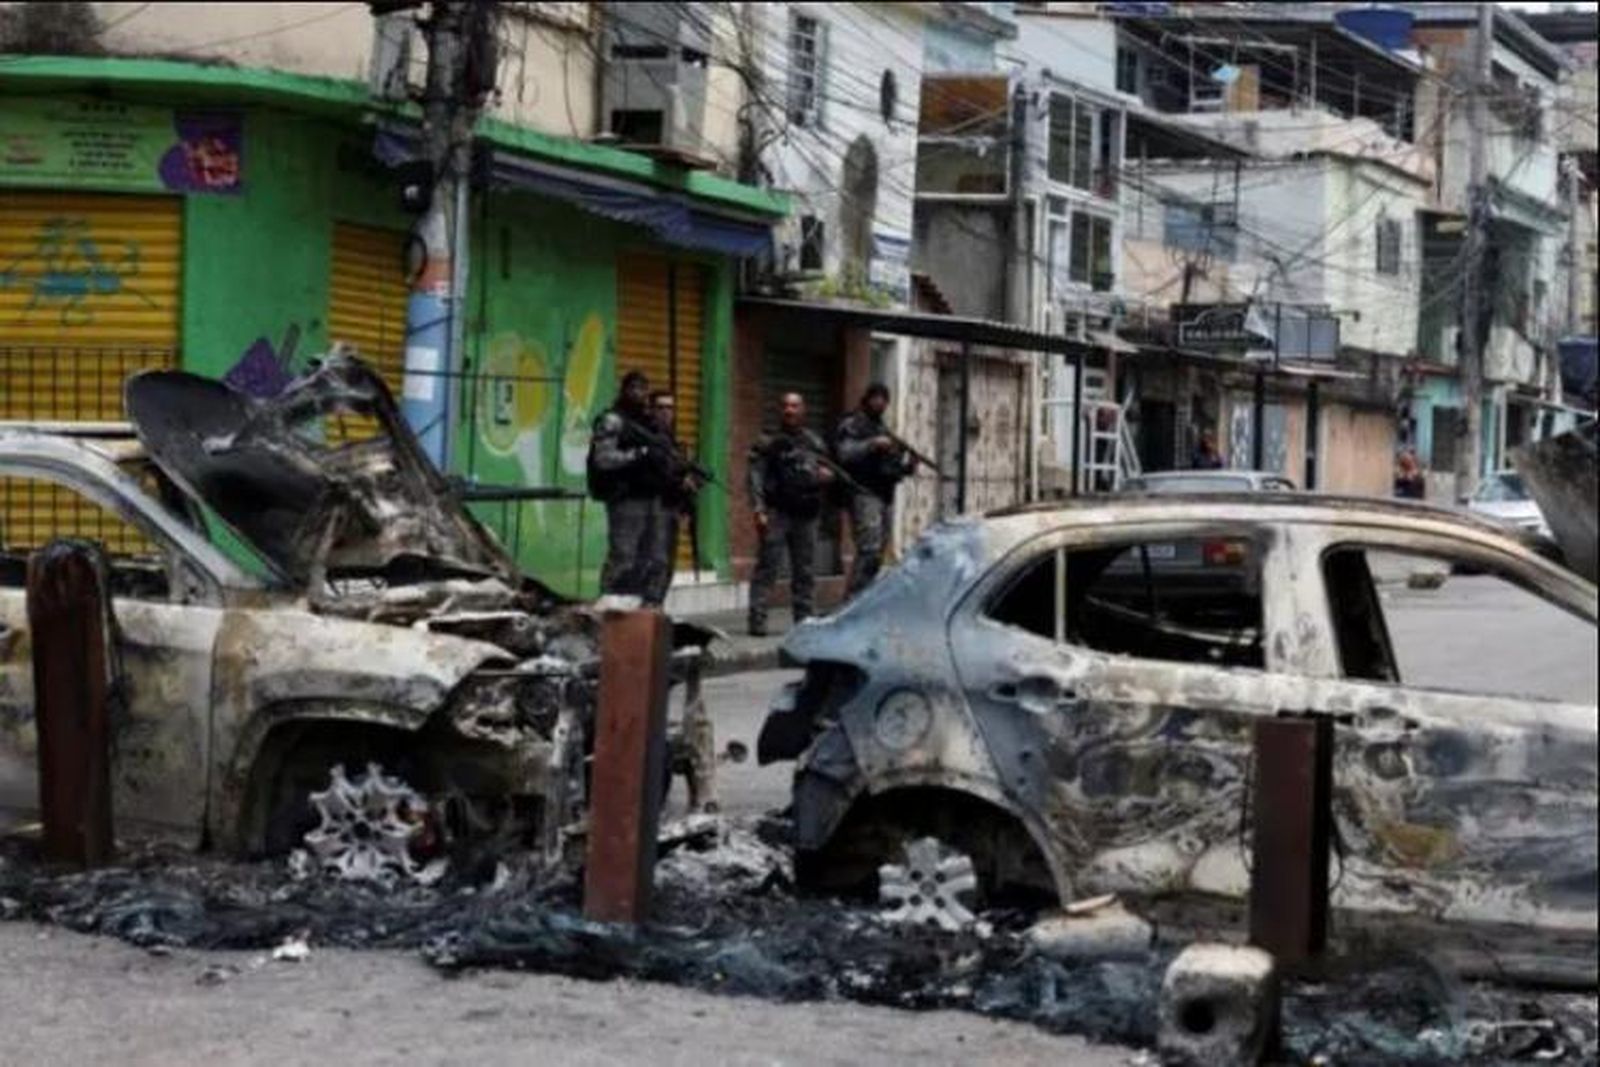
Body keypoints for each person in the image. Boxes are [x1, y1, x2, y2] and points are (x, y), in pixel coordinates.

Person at [747, 392, 834, 636]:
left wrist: (825, 478)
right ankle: (757, 620)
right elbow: (755, 476)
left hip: (805, 513)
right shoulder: (767, 441)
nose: (790, 410)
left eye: (795, 406)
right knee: (767, 567)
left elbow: (828, 471)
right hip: (777, 512)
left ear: (803, 410)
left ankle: (803, 620)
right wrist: (758, 509)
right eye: (785, 405)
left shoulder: (813, 442)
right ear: (779, 410)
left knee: (804, 570)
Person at [834, 383, 917, 598]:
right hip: (863, 493)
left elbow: (890, 467)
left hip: (884, 495)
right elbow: (844, 453)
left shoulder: (882, 428)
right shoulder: (853, 424)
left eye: (884, 399)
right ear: (867, 399)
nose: (880, 403)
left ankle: (862, 597)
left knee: (879, 552)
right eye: (876, 398)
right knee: (869, 548)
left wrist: (908, 466)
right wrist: (872, 444)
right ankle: (851, 600)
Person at [587, 371, 662, 598]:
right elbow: (603, 459)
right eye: (635, 388)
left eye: (644, 389)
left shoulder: (648, 422)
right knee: (623, 556)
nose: (640, 394)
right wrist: (637, 455)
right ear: (624, 390)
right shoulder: (613, 420)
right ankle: (607, 606)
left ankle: (632, 611)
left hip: (650, 498)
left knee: (647, 559)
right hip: (625, 498)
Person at [643, 388, 702, 606]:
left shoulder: (670, 441)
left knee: (666, 564)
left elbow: (678, 472)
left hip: (671, 508)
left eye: (670, 408)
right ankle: (648, 609)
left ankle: (655, 609)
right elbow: (649, 474)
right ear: (650, 410)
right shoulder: (644, 437)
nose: (666, 413)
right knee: (655, 562)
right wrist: (678, 480)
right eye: (661, 408)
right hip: (651, 509)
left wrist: (688, 493)